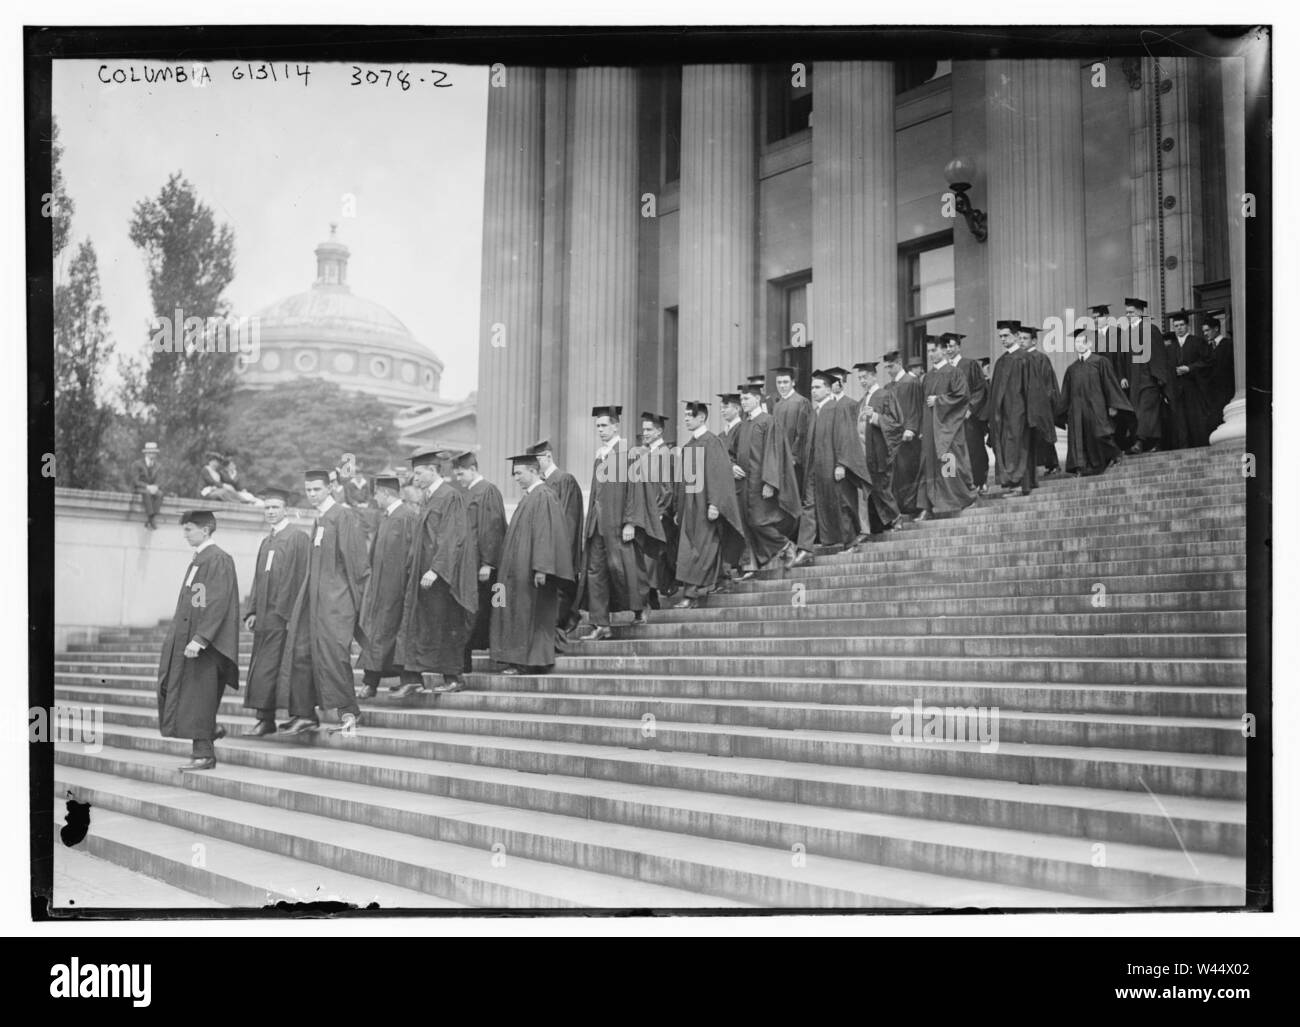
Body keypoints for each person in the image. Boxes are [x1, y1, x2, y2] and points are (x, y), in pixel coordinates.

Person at [278, 468, 370, 734]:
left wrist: (354, 604)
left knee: (335, 656)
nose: (312, 494)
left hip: (336, 603)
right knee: (302, 653)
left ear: (330, 488)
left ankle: (349, 713)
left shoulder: (344, 516)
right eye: (308, 490)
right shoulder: (320, 520)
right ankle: (305, 714)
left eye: (317, 489)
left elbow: (356, 564)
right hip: (314, 601)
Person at [156, 510, 240, 771]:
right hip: (189, 640)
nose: (185, 534)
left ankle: (204, 754)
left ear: (205, 530)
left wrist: (201, 638)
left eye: (189, 529)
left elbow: (217, 602)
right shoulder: (200, 559)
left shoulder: (218, 559)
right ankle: (210, 729)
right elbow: (197, 601)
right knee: (178, 691)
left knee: (198, 698)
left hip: (206, 646)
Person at [573, 406, 664, 641]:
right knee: (595, 572)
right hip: (597, 525)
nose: (601, 430)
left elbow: (635, 491)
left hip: (619, 524)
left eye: (604, 425)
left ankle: (639, 609)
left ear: (616, 426)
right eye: (598, 426)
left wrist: (631, 522)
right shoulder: (600, 455)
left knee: (628, 569)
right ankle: (601, 623)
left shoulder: (629, 453)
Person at [395, 450, 480, 695]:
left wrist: (436, 569)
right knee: (425, 626)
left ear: (433, 471)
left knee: (447, 624)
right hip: (425, 577)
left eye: (419, 472)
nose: (415, 477)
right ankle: (414, 678)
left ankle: (454, 677)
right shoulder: (429, 497)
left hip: (443, 577)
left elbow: (451, 537)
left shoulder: (449, 496)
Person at [489, 453, 576, 674]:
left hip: (532, 573)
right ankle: (517, 661)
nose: (515, 478)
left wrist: (542, 568)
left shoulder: (543, 496)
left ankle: (528, 663)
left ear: (534, 471)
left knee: (531, 616)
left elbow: (545, 534)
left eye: (519, 473)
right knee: (517, 613)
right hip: (519, 572)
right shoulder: (530, 496)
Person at [241, 487, 310, 736]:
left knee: (290, 667)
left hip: (286, 616)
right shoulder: (267, 540)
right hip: (266, 617)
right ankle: (265, 718)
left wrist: (293, 614)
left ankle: (302, 715)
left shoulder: (297, 538)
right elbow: (259, 580)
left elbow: (301, 578)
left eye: (275, 508)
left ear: (286, 509)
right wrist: (251, 611)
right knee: (264, 669)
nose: (270, 512)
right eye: (267, 508)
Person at [788, 369, 872, 568]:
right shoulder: (813, 412)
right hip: (813, 468)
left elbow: (845, 437)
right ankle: (805, 549)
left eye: (817, 387)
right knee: (809, 505)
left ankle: (851, 540)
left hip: (832, 466)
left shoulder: (837, 408)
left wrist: (842, 463)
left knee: (841, 502)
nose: (813, 391)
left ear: (828, 389)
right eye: (812, 388)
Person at [672, 401, 746, 608]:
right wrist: (679, 508)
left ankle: (692, 593)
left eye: (690, 415)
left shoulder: (712, 442)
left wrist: (715, 503)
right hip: (689, 506)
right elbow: (682, 480)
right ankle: (720, 579)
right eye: (685, 415)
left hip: (705, 504)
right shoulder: (688, 446)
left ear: (702, 418)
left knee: (701, 547)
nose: (686, 418)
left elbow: (719, 475)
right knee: (693, 547)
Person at [356, 476, 422, 699]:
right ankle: (370, 682)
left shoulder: (407, 517)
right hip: (382, 590)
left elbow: (412, 556)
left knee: (395, 635)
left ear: (385, 493)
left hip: (398, 589)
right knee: (379, 635)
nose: (374, 498)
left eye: (376, 494)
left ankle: (409, 680)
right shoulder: (388, 517)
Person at [451, 451, 507, 674]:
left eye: (461, 472)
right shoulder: (466, 493)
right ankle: (464, 663)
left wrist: (488, 562)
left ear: (473, 469)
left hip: (482, 566)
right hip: (468, 564)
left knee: (486, 610)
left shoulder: (487, 491)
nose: (459, 478)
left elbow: (492, 528)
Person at [734, 382, 799, 569]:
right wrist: (731, 466)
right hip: (744, 484)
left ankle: (786, 546)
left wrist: (770, 482)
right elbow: (730, 451)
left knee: (759, 521)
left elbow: (773, 453)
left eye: (746, 398)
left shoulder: (767, 421)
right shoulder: (743, 425)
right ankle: (766, 557)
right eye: (741, 399)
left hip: (760, 483)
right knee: (749, 521)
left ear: (757, 398)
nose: (743, 402)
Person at [1056, 328, 1134, 476]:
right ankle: (1084, 468)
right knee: (1081, 438)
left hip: (1096, 407)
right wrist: (1064, 413)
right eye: (1076, 342)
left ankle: (1115, 455)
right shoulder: (1071, 369)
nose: (1079, 345)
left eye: (1082, 342)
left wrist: (1112, 405)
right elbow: (1066, 393)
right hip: (1077, 410)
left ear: (1089, 343)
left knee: (1101, 433)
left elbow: (1110, 384)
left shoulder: (1100, 362)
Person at [529, 439, 584, 641]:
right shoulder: (542, 485)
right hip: (547, 552)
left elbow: (568, 521)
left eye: (536, 461)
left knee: (562, 591)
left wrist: (562, 553)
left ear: (548, 457)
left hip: (560, 551)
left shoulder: (564, 480)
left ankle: (566, 622)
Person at [916, 341, 977, 518]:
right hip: (930, 427)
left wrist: (939, 400)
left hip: (948, 427)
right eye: (928, 351)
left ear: (943, 350)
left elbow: (962, 397)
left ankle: (963, 499)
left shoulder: (954, 372)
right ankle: (928, 505)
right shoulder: (927, 377)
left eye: (934, 350)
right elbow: (922, 404)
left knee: (950, 462)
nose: (931, 354)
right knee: (930, 464)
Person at [632, 413, 677, 608]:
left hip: (658, 513)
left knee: (652, 557)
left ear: (659, 431)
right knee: (648, 557)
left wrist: (658, 511)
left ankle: (653, 597)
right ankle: (653, 597)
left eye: (649, 430)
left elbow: (667, 488)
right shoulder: (648, 454)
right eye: (644, 430)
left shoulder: (664, 454)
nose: (645, 433)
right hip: (647, 513)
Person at [987, 320, 1034, 495]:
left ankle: (1020, 484)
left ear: (1016, 336)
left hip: (1019, 412)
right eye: (1000, 336)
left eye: (1006, 335)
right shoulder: (1001, 361)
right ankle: (1010, 482)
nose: (1003, 339)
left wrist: (1029, 413)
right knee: (1007, 446)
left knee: (1018, 447)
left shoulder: (1025, 357)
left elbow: (1032, 389)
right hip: (1003, 414)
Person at [857, 361, 902, 539]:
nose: (862, 381)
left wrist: (875, 417)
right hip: (865, 452)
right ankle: (879, 525)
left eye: (865, 377)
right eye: (860, 378)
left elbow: (896, 423)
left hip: (879, 451)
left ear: (874, 376)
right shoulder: (862, 400)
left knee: (882, 487)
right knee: (872, 489)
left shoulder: (884, 395)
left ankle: (896, 517)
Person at [1118, 298, 1169, 454]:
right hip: (1133, 381)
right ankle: (1155, 443)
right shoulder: (1127, 334)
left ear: (1140, 313)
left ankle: (1140, 442)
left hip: (1148, 379)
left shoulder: (1150, 329)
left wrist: (1159, 377)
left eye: (1131, 312)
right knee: (1141, 412)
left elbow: (1158, 355)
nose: (1128, 315)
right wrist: (1123, 376)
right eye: (1126, 313)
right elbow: (1123, 359)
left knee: (1146, 411)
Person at [944, 333, 990, 494]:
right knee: (954, 453)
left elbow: (980, 389)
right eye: (946, 347)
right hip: (951, 420)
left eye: (951, 346)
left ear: (958, 346)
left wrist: (970, 409)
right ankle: (961, 486)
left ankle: (980, 481)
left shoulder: (970, 364)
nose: (948, 349)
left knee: (974, 448)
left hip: (968, 417)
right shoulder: (944, 369)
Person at [1164, 310, 1214, 449]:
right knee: (1180, 422)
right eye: (1176, 326)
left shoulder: (1197, 342)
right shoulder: (1170, 348)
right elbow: (1167, 370)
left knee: (1195, 419)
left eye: (1181, 325)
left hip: (1194, 387)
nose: (1179, 328)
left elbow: (1207, 362)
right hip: (1177, 390)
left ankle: (1200, 448)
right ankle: (1184, 449)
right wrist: (1168, 391)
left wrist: (1190, 368)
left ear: (1187, 326)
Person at [716, 391, 752, 584]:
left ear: (737, 408)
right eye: (721, 407)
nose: (722, 410)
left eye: (726, 406)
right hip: (726, 488)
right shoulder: (721, 435)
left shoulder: (743, 429)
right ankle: (730, 566)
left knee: (742, 524)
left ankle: (744, 564)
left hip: (741, 485)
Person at [884, 350, 924, 518]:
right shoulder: (888, 387)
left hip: (909, 437)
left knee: (909, 470)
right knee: (897, 473)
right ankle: (901, 508)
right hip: (893, 438)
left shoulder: (912, 382)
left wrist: (912, 428)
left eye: (891, 366)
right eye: (886, 367)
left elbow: (917, 407)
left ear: (899, 362)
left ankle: (912, 506)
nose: (889, 370)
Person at [1019, 325, 1062, 477]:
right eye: (1020, 338)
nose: (1021, 342)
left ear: (1034, 341)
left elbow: (1048, 383)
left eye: (1025, 338)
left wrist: (1046, 403)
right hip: (1025, 406)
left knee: (1044, 435)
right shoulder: (1019, 358)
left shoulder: (1040, 358)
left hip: (1040, 405)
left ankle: (1053, 464)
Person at [772, 366, 813, 499]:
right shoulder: (777, 405)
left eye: (785, 382)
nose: (782, 386)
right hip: (779, 459)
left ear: (793, 382)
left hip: (794, 461)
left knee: (794, 496)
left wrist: (794, 457)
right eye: (779, 382)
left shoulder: (801, 402)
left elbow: (802, 434)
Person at [1200, 311, 1235, 429]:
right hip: (1213, 392)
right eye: (1203, 331)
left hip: (1226, 389)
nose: (1205, 334)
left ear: (1216, 329)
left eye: (1207, 330)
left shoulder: (1228, 345)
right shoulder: (1208, 348)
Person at [131, 441, 164, 530]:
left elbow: (160, 480)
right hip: (140, 488)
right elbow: (135, 481)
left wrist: (156, 487)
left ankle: (151, 519)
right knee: (146, 493)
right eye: (150, 452)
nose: (152, 454)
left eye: (154, 452)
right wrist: (147, 487)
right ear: (146, 453)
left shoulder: (158, 466)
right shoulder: (137, 464)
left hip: (152, 489)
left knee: (160, 494)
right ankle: (151, 518)